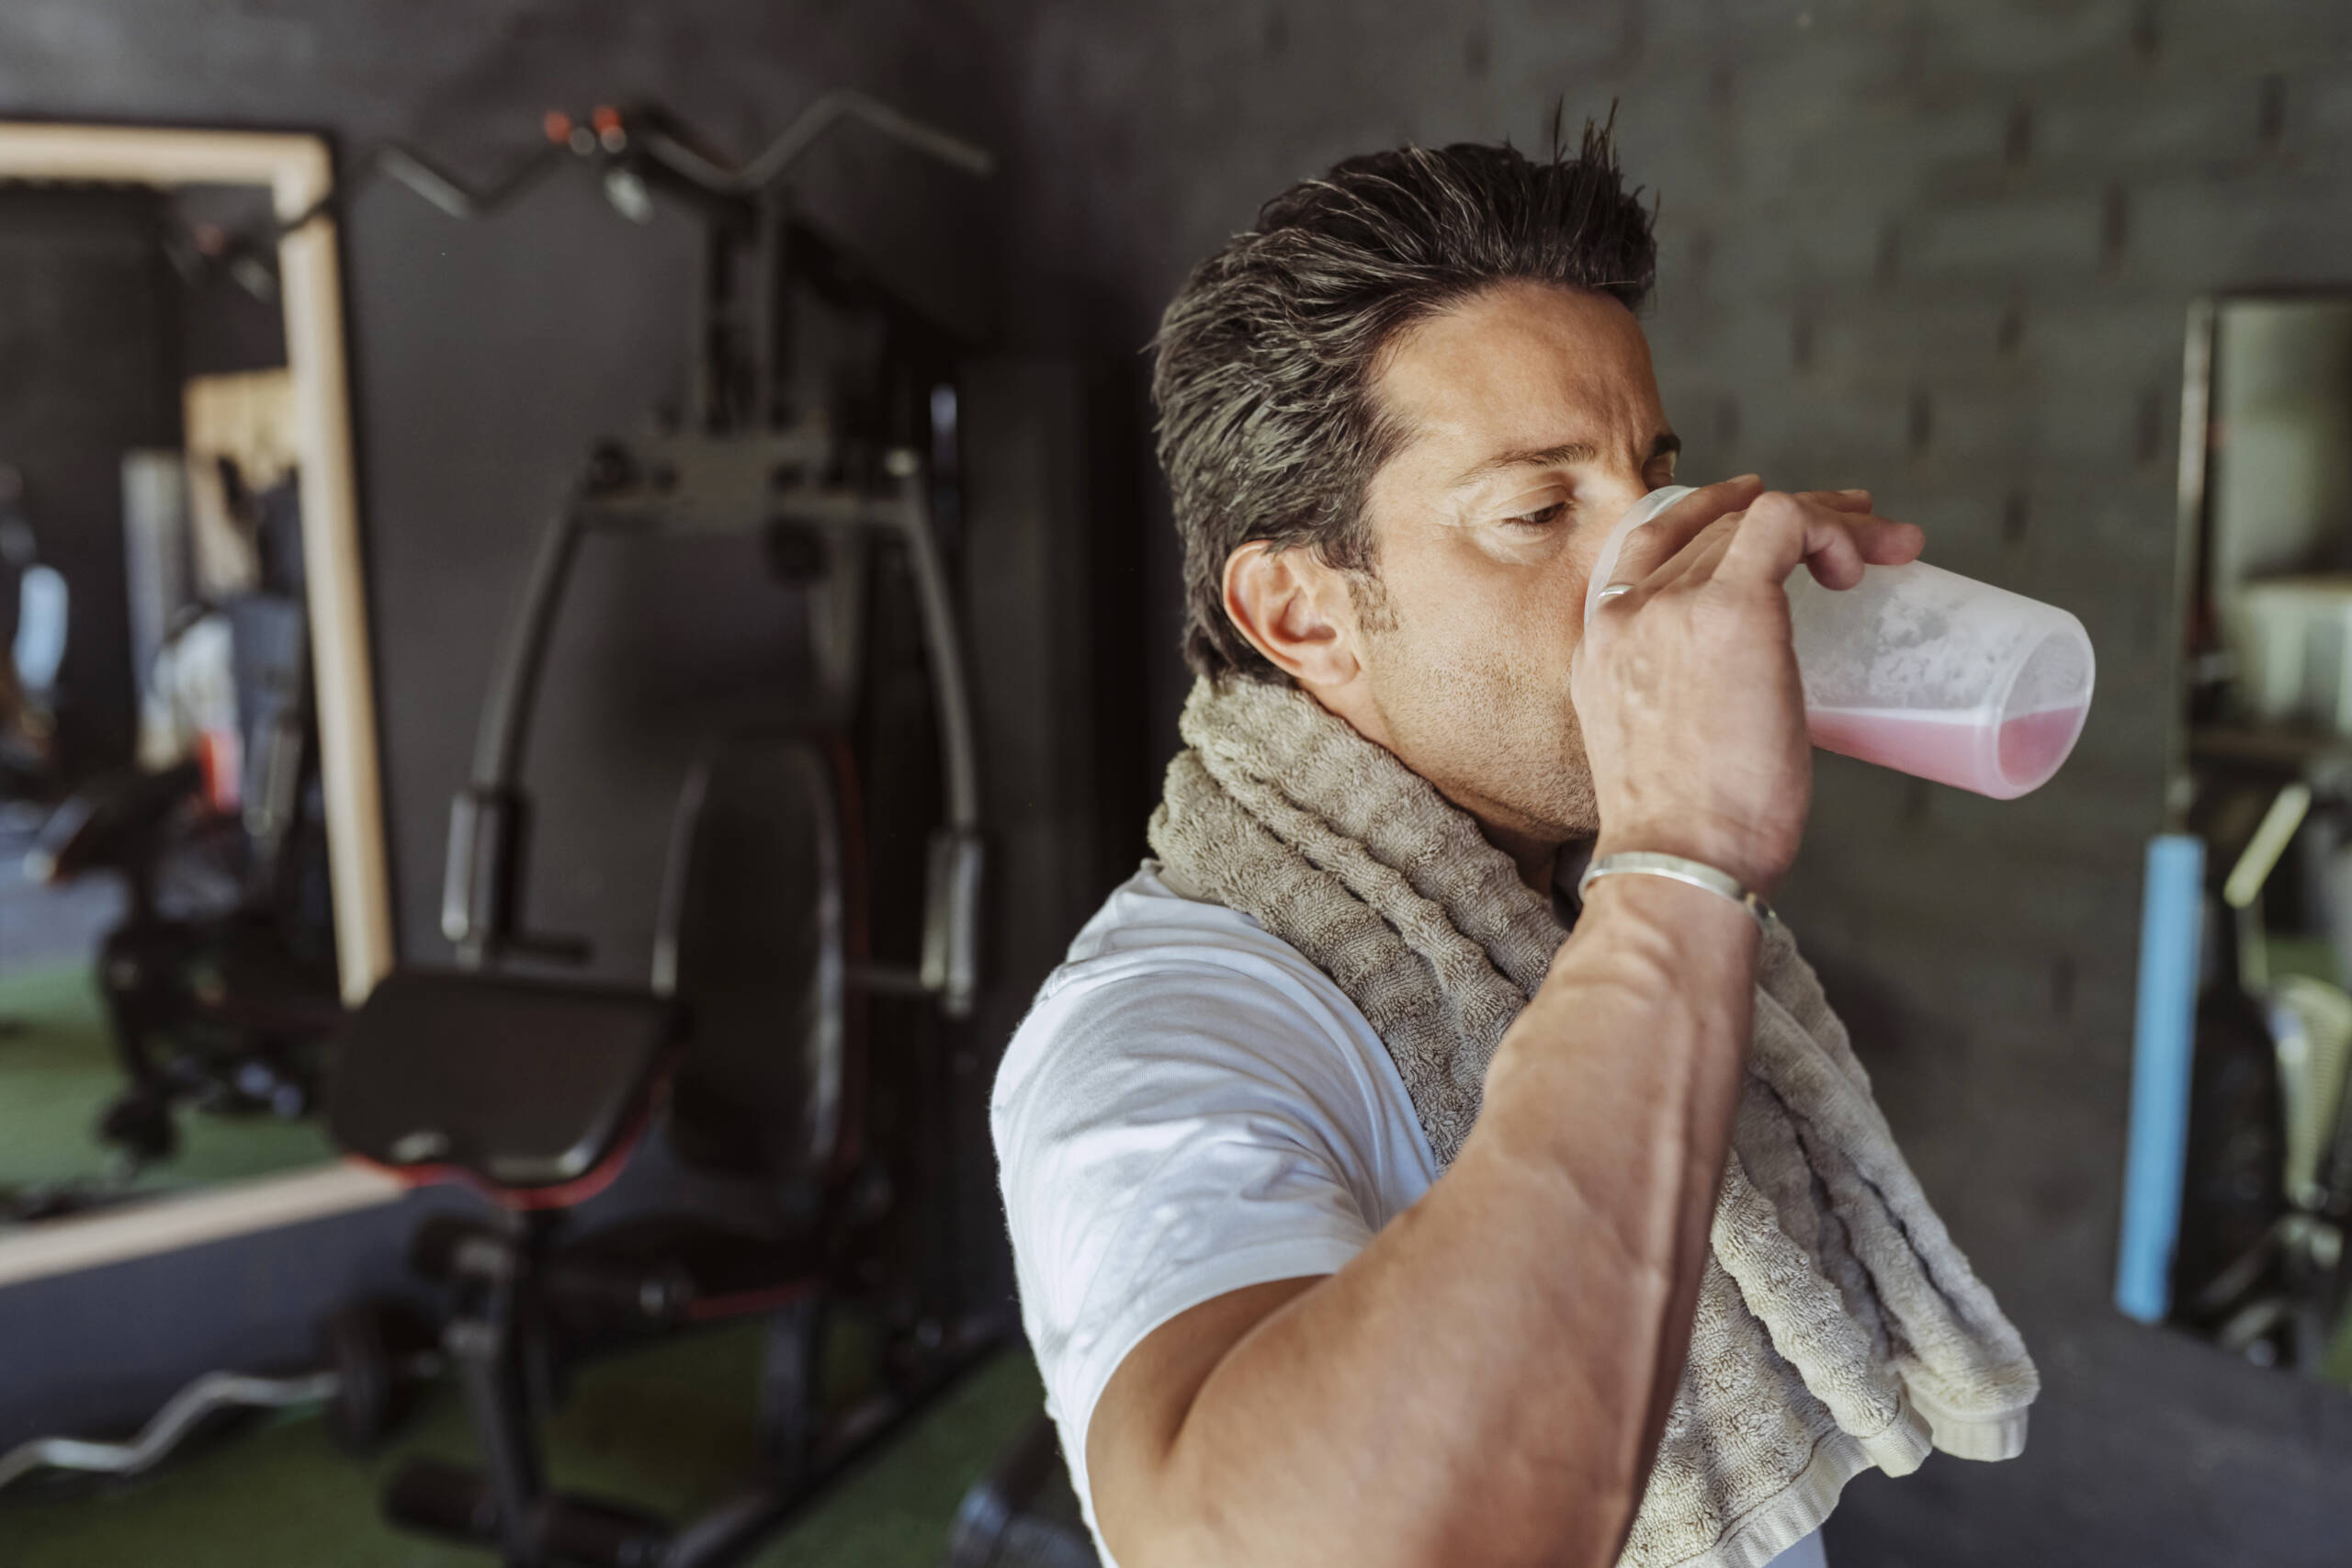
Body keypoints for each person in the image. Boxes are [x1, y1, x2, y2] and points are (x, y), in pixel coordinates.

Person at [992, 123, 2036, 1568]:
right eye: (1541, 510)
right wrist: (1683, 850)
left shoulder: (1559, 915)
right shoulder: (1160, 1035)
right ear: (1302, 614)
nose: (1649, 562)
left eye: (1654, 480)